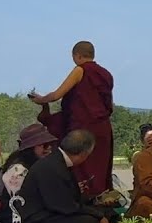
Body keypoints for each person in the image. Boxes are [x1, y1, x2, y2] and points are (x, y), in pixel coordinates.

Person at [29, 41, 115, 197]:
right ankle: (101, 198)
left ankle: (81, 198)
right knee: (100, 166)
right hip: (103, 128)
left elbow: (56, 95)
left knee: (81, 165)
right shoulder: (106, 74)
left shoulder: (80, 70)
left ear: (77, 56)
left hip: (83, 128)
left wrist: (41, 99)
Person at [15, 130, 112, 223]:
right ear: (84, 153)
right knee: (88, 222)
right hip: (37, 221)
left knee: (108, 212)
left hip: (53, 213)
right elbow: (63, 206)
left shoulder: (58, 161)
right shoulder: (52, 166)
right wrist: (97, 215)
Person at [0, 124, 60, 223]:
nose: (49, 148)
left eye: (51, 144)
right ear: (31, 148)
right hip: (16, 219)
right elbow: (19, 202)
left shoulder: (37, 166)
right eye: (45, 145)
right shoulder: (18, 170)